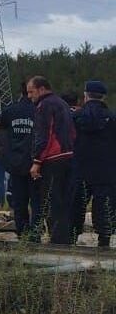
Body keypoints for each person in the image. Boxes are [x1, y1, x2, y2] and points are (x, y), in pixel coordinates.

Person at [28, 75, 76, 245]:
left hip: (53, 159)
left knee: (51, 202)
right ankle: (66, 239)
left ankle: (57, 243)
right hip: (68, 157)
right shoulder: (62, 103)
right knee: (64, 203)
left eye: (31, 92)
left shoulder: (44, 105)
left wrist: (36, 161)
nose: (29, 96)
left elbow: (44, 135)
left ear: (41, 89)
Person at [71, 80, 116, 248]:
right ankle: (103, 241)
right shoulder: (112, 118)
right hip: (106, 171)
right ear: (104, 97)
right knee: (104, 206)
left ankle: (72, 240)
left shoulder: (76, 117)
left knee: (76, 205)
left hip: (80, 169)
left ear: (85, 96)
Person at [0, 80, 39, 238]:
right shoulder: (38, 110)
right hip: (35, 163)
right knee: (36, 202)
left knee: (19, 202)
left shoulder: (10, 111)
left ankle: (22, 233)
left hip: (15, 163)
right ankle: (35, 233)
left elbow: (1, 126)